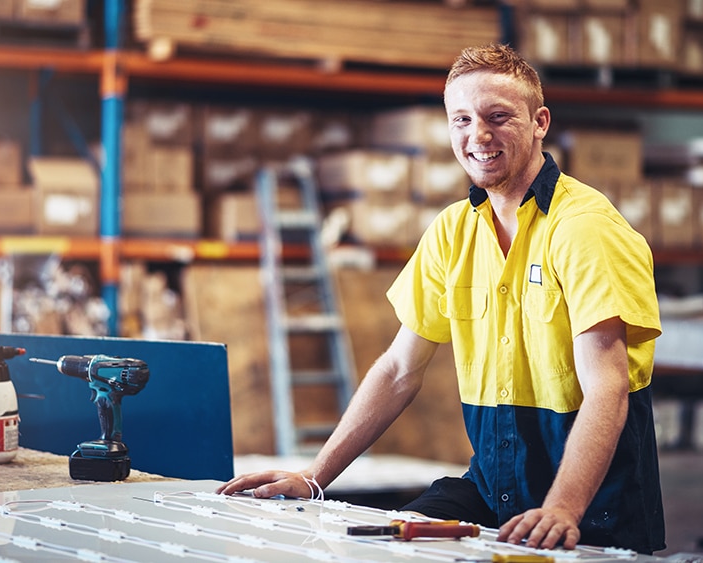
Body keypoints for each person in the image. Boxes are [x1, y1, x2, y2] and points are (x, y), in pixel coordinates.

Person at [218, 42, 665, 555]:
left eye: (498, 116)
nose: (478, 135)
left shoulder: (585, 230)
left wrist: (564, 506)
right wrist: (314, 477)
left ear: (540, 122)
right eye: (461, 119)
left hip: (593, 504)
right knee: (387, 546)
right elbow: (398, 370)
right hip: (494, 488)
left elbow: (607, 388)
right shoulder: (453, 232)